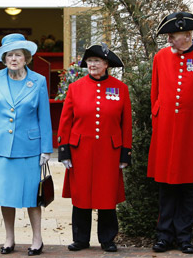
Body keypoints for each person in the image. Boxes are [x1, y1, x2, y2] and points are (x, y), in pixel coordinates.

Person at [148, 12, 193, 254]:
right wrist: (157, 120)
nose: (169, 40)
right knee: (166, 183)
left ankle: (184, 237)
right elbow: (155, 92)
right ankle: (164, 236)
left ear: (187, 35)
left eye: (173, 36)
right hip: (167, 128)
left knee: (189, 184)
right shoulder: (160, 57)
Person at [0, 33, 53, 256]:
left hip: (29, 148)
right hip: (1, 147)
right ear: (4, 58)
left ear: (26, 57)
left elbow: (44, 117)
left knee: (32, 196)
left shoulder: (38, 81)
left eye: (18, 55)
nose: (13, 58)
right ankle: (9, 239)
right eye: (9, 55)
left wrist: (46, 148)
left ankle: (37, 240)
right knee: (6, 195)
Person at [57, 43, 132, 252]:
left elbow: (126, 123)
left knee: (107, 196)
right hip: (81, 150)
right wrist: (64, 150)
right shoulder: (75, 87)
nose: (92, 65)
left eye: (97, 61)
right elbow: (66, 121)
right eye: (89, 61)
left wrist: (125, 152)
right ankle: (81, 239)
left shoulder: (120, 88)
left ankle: (108, 239)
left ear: (106, 64)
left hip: (110, 150)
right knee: (81, 196)